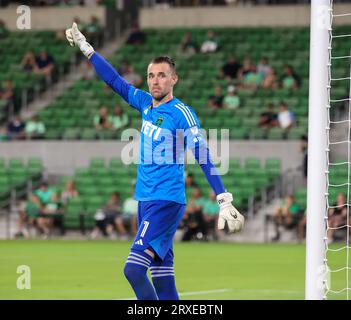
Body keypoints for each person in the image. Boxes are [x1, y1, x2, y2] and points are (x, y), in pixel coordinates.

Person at [65, 22, 244, 300]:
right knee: (162, 275)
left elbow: (202, 154)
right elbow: (115, 81)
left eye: (161, 75)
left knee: (133, 271)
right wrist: (87, 49)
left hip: (166, 200)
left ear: (174, 79)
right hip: (145, 201)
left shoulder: (182, 113)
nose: (155, 80)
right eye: (151, 75)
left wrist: (223, 197)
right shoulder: (145, 104)